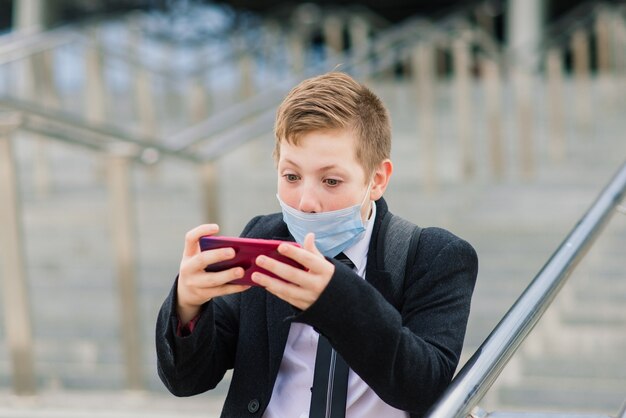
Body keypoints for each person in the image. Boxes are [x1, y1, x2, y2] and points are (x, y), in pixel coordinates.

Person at [156, 72, 478, 417]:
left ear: (377, 180)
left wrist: (335, 297)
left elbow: (424, 386)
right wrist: (188, 305)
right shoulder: (266, 238)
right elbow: (187, 380)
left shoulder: (433, 256)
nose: (306, 202)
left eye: (331, 180)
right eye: (291, 176)